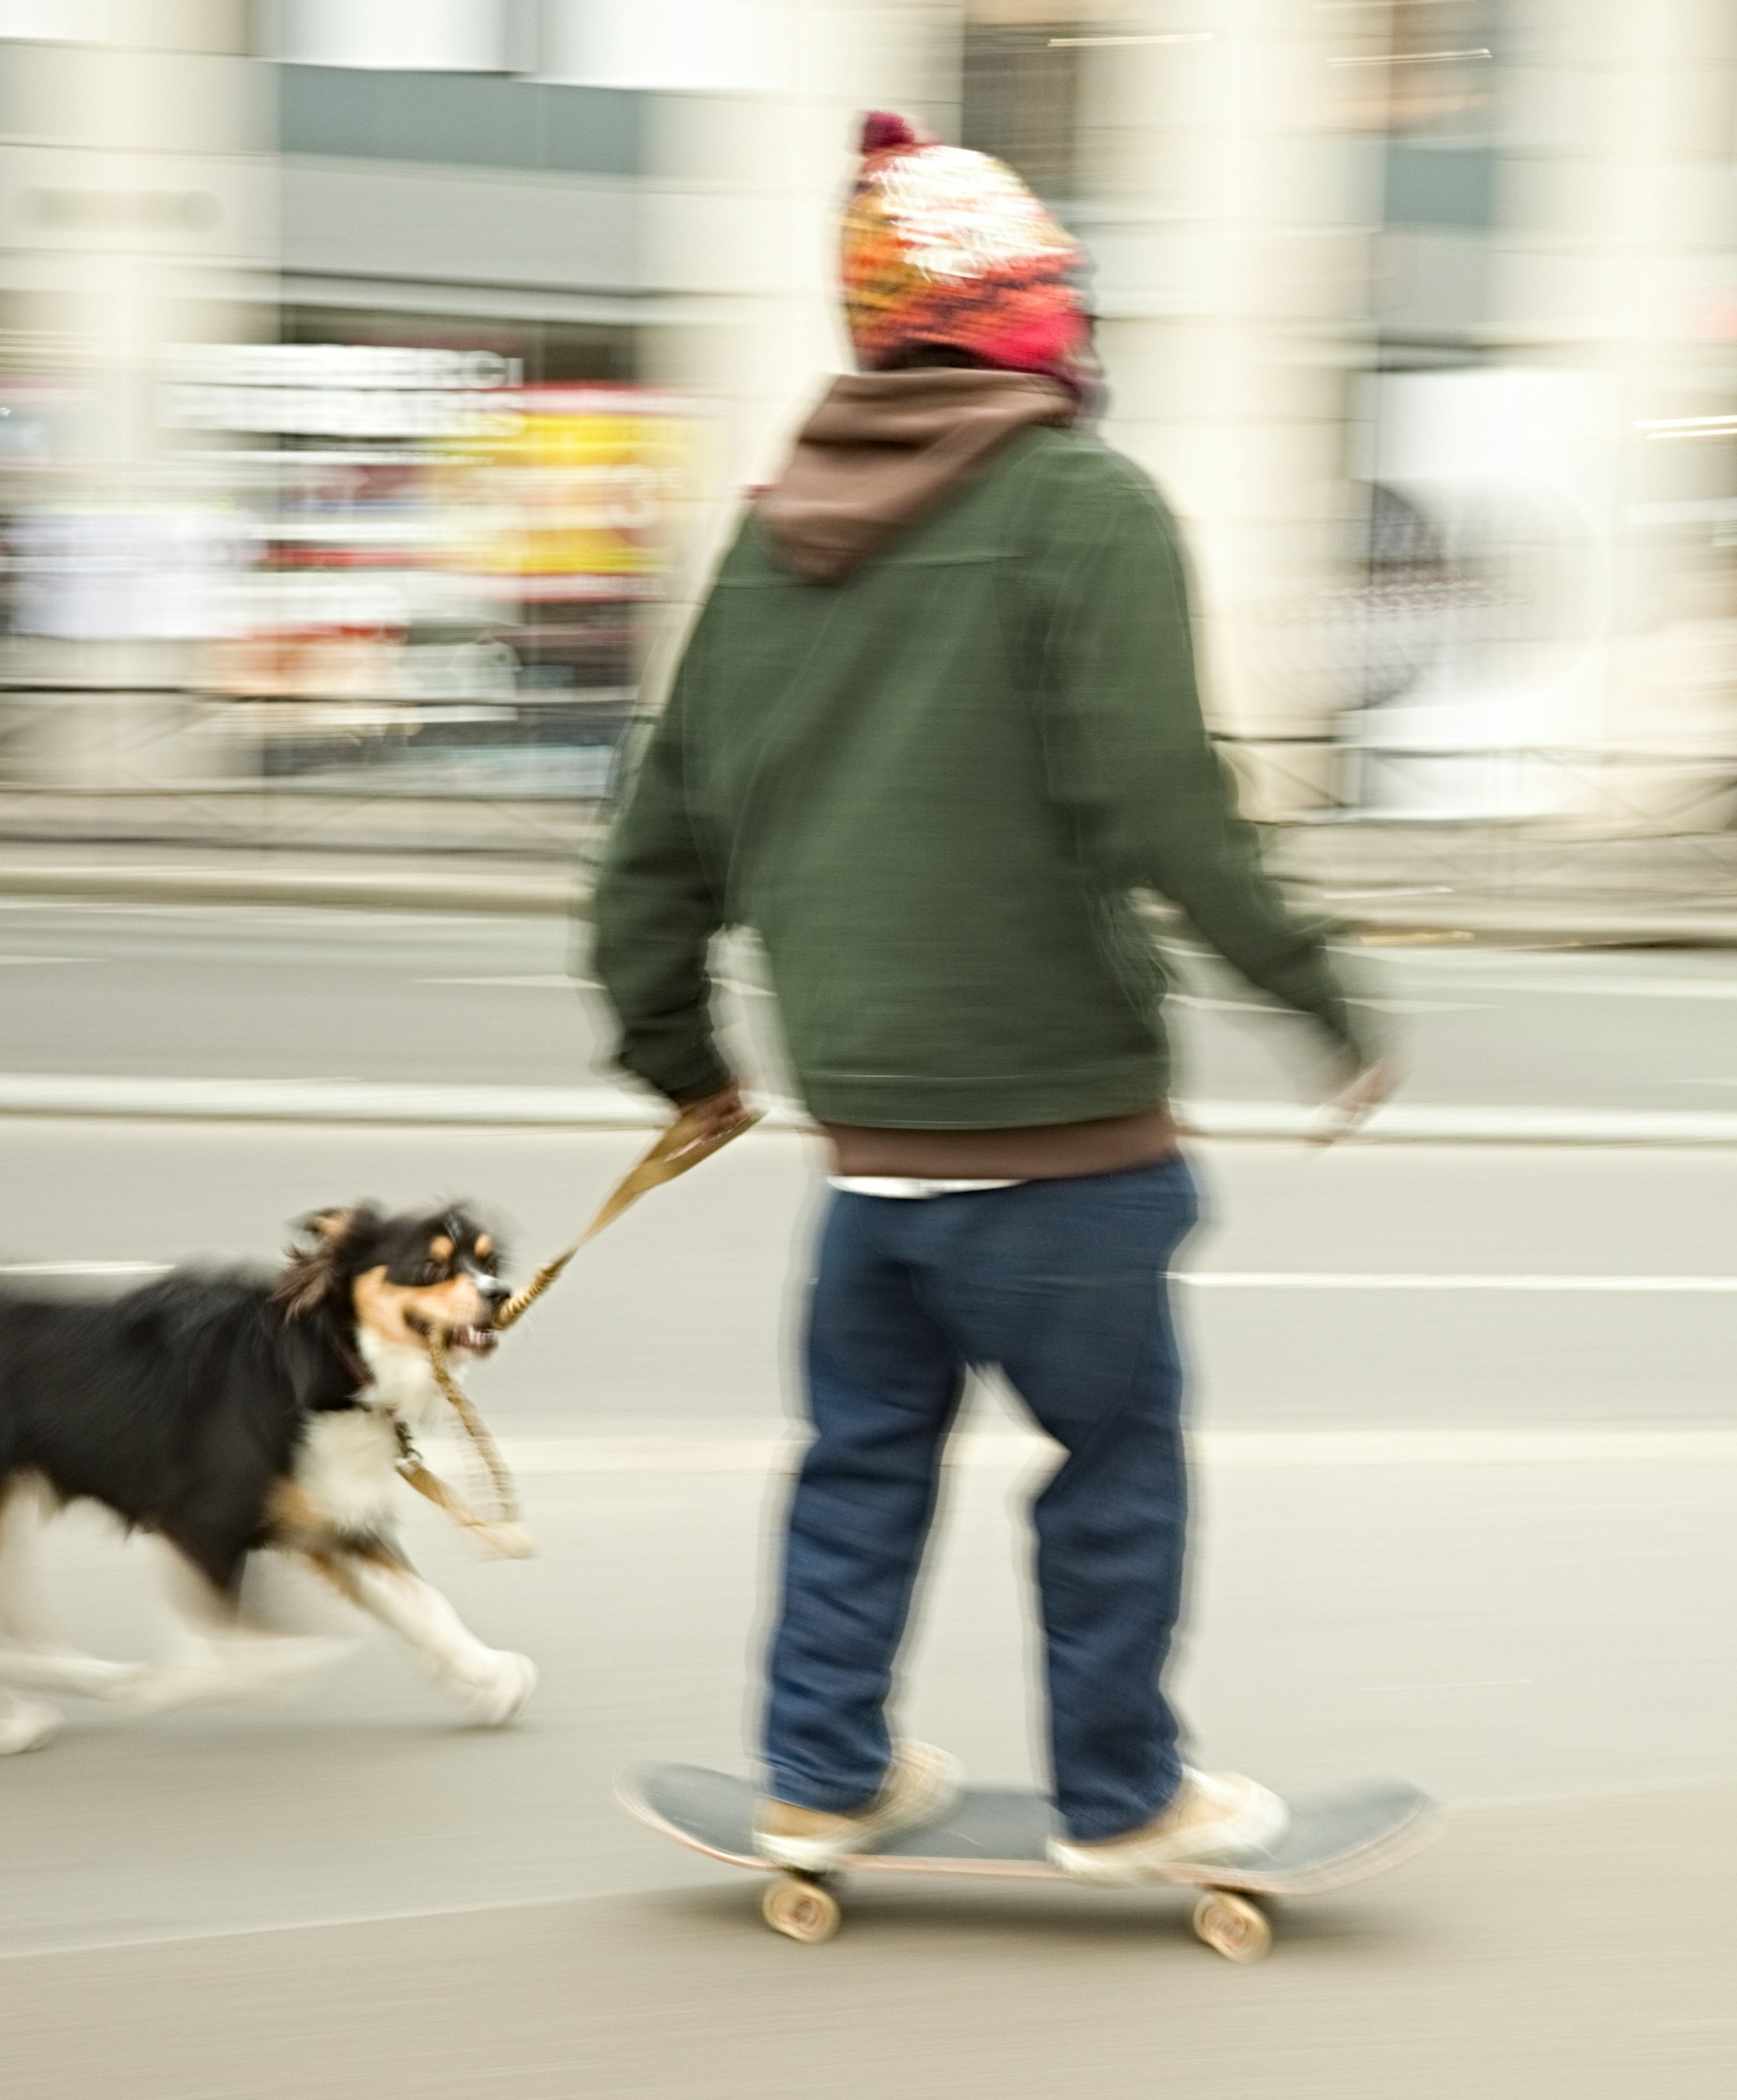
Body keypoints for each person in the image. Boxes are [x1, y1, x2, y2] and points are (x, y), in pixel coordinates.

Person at [589, 111, 1386, 1883]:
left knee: (861, 1466)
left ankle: (819, 1773)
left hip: (872, 1163)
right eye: (1056, 294)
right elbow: (1168, 799)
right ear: (1028, 314)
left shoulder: (768, 542)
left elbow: (655, 848)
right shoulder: (1085, 507)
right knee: (1111, 1470)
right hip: (1065, 1146)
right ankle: (1123, 1795)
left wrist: (682, 1062)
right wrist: (1319, 993)